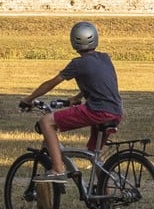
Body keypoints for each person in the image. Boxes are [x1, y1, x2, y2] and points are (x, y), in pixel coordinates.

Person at [19, 20, 122, 182]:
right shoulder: (104, 58)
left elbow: (52, 83)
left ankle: (58, 169)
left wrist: (29, 98)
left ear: (73, 41)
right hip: (115, 112)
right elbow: (98, 82)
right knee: (94, 155)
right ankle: (106, 199)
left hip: (97, 111)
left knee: (46, 122)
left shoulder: (77, 64)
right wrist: (76, 98)